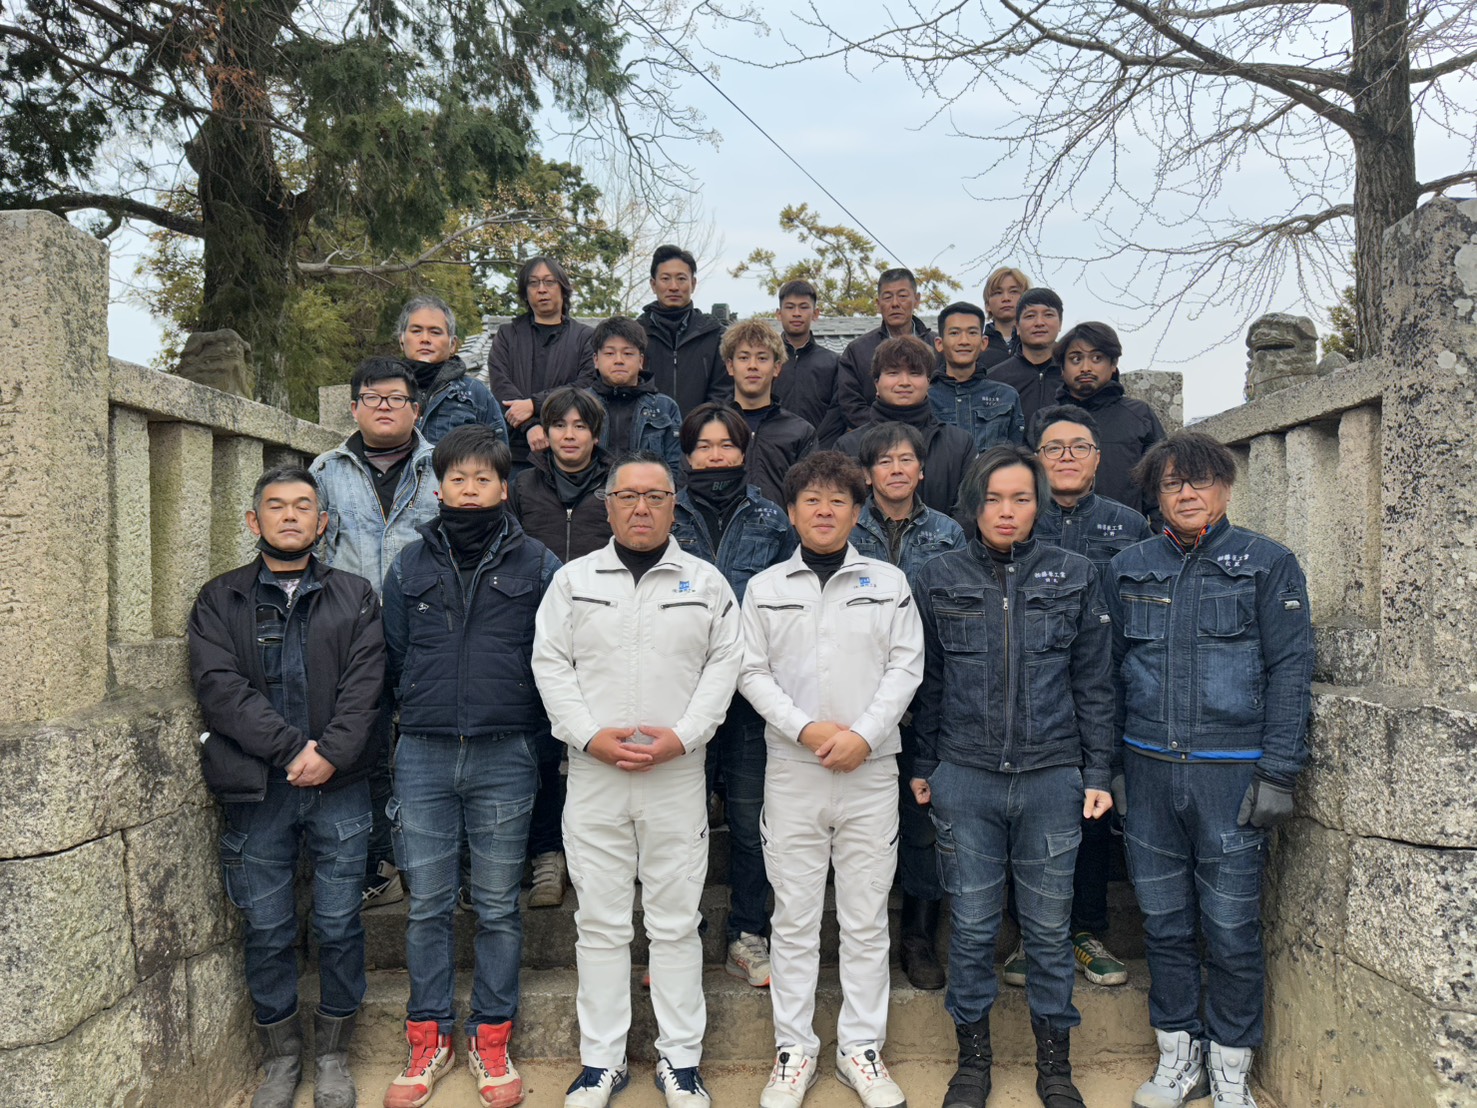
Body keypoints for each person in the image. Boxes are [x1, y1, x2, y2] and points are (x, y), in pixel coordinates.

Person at [532, 452, 743, 1108]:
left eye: (655, 496)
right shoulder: (573, 581)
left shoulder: (706, 583)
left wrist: (684, 736)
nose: (642, 508)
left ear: (675, 505)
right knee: (599, 922)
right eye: (628, 496)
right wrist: (587, 735)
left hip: (675, 773)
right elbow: (549, 663)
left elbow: (724, 667)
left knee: (676, 922)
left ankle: (680, 1061)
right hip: (594, 773)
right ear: (609, 505)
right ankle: (601, 1062)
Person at [1108, 432, 1313, 1108]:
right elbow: (1107, 673)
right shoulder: (1129, 566)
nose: (1186, 494)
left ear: (1225, 487)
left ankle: (1231, 1068)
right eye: (1172, 483)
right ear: (1156, 494)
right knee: (1163, 924)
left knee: (1230, 929)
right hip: (1147, 771)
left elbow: (1290, 671)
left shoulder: (1267, 564)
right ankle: (1177, 1056)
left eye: (1199, 481)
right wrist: (1111, 766)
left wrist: (1279, 771)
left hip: (1231, 776)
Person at [911, 446, 1115, 1108]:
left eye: (1020, 499)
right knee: (971, 928)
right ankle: (972, 1063)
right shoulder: (937, 575)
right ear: (973, 504)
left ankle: (1055, 1067)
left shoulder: (1075, 574)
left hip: (1052, 777)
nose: (1006, 511)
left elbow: (1094, 681)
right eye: (994, 499)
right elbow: (928, 680)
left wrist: (1097, 770)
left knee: (1048, 932)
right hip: (964, 777)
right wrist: (925, 764)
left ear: (1038, 505)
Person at [187, 465, 385, 1108]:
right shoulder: (220, 599)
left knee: (338, 923)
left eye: (304, 505)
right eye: (277, 505)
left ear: (322, 522)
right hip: (258, 790)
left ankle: (332, 1055)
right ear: (255, 520)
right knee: (267, 928)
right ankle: (281, 1057)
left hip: (340, 786)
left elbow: (366, 686)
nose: (291, 515)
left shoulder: (355, 595)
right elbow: (220, 688)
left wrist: (330, 754)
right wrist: (293, 750)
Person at [379, 425, 561, 1108]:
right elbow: (394, 653)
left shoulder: (537, 564)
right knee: (427, 904)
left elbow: (552, 654)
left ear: (504, 488)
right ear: (439, 488)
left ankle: (491, 1036)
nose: (469, 490)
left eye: (483, 479)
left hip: (504, 751)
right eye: (457, 479)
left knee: (497, 906)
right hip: (423, 752)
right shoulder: (408, 564)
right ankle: (428, 1038)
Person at [740, 451, 924, 1108]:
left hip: (869, 770)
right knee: (792, 918)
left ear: (857, 512)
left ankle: (859, 1049)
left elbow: (905, 667)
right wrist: (808, 730)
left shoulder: (887, 582)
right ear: (791, 513)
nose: (824, 511)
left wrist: (862, 735)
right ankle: (793, 1049)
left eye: (838, 501)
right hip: (795, 770)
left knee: (865, 918)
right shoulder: (765, 588)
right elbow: (750, 671)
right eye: (811, 501)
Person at [995, 405, 1151, 996]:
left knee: (1091, 813)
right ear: (1036, 458)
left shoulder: (1126, 525)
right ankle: (1030, 934)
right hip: (1027, 693)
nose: (1066, 457)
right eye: (1053, 447)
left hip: (1103, 688)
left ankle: (1085, 931)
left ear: (1097, 458)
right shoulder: (1015, 519)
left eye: (1078, 447)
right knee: (1024, 816)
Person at [671, 403, 797, 992]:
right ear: (686, 455)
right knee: (683, 824)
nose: (715, 455)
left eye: (726, 444)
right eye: (704, 446)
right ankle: (680, 936)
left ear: (744, 451)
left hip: (751, 700)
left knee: (750, 823)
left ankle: (748, 934)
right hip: (683, 695)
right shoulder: (667, 513)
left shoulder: (772, 520)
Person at [310, 356, 439, 910]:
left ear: (416, 409)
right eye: (373, 398)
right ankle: (379, 865)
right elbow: (311, 552)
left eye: (397, 398)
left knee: (425, 751)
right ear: (354, 407)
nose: (385, 407)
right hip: (349, 640)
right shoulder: (325, 471)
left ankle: (434, 865)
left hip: (428, 637)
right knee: (361, 750)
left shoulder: (442, 467)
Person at [845, 421, 965, 990]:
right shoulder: (847, 524)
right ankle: (856, 935)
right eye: (884, 461)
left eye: (906, 460)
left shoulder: (948, 532)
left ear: (921, 470)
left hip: (928, 696)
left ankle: (918, 937)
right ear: (867, 474)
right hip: (855, 698)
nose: (896, 469)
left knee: (923, 824)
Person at [505, 386, 615, 912]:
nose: (570, 436)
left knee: (604, 742)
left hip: (606, 633)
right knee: (544, 748)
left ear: (596, 433)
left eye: (580, 426)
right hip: (536, 632)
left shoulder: (617, 484)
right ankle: (548, 853)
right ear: (544, 434)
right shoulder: (522, 486)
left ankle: (606, 854)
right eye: (559, 426)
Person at [835, 336, 977, 518]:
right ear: (876, 382)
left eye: (914, 373)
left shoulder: (960, 444)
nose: (904, 382)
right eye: (893, 373)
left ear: (929, 381)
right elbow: (842, 510)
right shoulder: (847, 446)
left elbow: (968, 510)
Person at [485, 256, 597, 472]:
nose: (542, 289)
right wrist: (530, 426)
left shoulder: (585, 337)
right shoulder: (508, 335)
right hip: (515, 452)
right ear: (525, 292)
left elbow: (586, 385)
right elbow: (500, 386)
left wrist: (534, 404)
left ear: (563, 288)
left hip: (569, 452)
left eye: (549, 282)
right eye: (533, 283)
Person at [1046, 322, 1166, 517]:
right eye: (1075, 359)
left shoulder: (1139, 416)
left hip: (1124, 532)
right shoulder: (1045, 421)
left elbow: (1160, 485)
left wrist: (1155, 534)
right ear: (1062, 368)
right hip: (1056, 531)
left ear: (1113, 364)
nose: (1086, 368)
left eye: (1097, 358)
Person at [721, 318, 818, 505]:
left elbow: (810, 495)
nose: (752, 366)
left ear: (776, 368)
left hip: (782, 524)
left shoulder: (800, 432)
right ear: (730, 366)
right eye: (744, 357)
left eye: (762, 358)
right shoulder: (708, 427)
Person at [396, 295, 509, 446]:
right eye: (416, 331)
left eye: (435, 332)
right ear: (402, 340)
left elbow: (498, 452)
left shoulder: (475, 393)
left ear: (452, 344)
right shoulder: (384, 390)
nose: (425, 339)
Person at [835, 268, 937, 430]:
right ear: (878, 303)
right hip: (876, 436)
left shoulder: (938, 346)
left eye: (902, 296)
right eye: (888, 297)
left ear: (917, 300)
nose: (895, 304)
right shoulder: (857, 350)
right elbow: (851, 405)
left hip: (930, 434)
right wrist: (886, 431)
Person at [637, 244, 729, 415]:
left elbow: (723, 392)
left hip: (702, 429)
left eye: (681, 279)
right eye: (665, 278)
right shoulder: (636, 335)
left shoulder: (715, 335)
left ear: (693, 284)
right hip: (647, 429)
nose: (673, 287)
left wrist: (702, 423)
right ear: (653, 284)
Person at [590, 316, 683, 472]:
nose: (619, 360)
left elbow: (676, 467)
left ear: (640, 361)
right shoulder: (581, 404)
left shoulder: (665, 407)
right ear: (596, 360)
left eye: (628, 353)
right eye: (610, 353)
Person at [930, 302, 1026, 452]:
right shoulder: (926, 398)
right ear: (939, 343)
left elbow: (1017, 454)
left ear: (983, 342)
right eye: (954, 333)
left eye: (972, 333)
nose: (964, 341)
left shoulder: (1006, 396)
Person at [773, 279, 846, 446]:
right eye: (790, 307)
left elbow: (838, 411)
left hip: (821, 449)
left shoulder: (833, 362)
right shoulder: (767, 361)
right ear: (779, 314)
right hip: (774, 449)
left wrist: (817, 445)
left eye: (804, 307)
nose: (796, 313)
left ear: (815, 313)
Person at [986, 288, 1065, 427]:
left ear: (1060, 323)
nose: (1039, 323)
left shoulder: (1072, 377)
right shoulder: (994, 380)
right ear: (1017, 325)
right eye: (1030, 316)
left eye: (1048, 315)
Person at [982, 266, 1030, 358]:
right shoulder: (977, 347)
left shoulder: (1040, 345)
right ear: (987, 305)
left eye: (1013, 291)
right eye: (998, 293)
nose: (1006, 298)